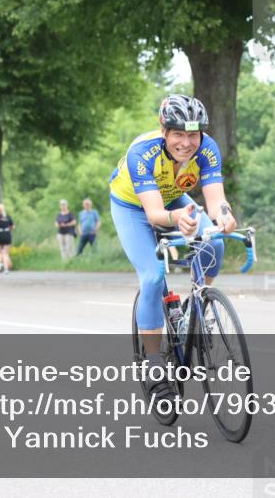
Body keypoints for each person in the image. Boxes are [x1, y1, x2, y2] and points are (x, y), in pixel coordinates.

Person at [108, 94, 236, 402]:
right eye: (178, 134)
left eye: (193, 134)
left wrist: (225, 215)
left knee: (213, 242)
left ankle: (197, 307)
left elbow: (216, 199)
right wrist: (175, 218)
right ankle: (154, 365)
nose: (186, 143)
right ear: (164, 131)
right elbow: (153, 214)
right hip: (134, 207)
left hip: (172, 197)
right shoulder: (143, 152)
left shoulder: (207, 148)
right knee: (152, 278)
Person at [0, 203, 15, 274]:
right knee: (6, 253)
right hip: (7, 234)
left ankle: (0, 264)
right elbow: (13, 227)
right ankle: (6, 269)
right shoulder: (8, 217)